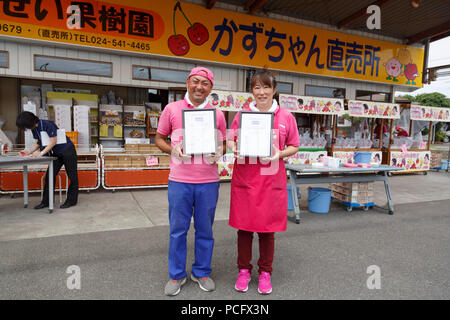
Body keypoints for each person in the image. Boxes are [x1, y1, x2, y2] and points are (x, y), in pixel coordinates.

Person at [155, 66, 227, 296]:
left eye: (204, 83)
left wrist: (220, 151)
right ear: (187, 82)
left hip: (208, 181)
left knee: (205, 229)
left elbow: (223, 142)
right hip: (179, 180)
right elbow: (159, 138)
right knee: (178, 230)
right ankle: (176, 275)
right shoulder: (172, 109)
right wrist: (172, 150)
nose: (199, 86)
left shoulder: (217, 114)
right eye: (195, 81)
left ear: (210, 88)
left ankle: (202, 271)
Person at [227, 69, 300, 294]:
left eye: (266, 87)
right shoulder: (242, 115)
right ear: (252, 90)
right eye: (257, 87)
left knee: (267, 230)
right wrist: (234, 148)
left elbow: (295, 145)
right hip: (246, 179)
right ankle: (243, 270)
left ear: (274, 90)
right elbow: (230, 139)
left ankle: (265, 272)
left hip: (270, 181)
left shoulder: (286, 117)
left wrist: (279, 154)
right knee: (244, 229)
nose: (261, 92)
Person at [16, 111, 78, 209]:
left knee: (72, 176)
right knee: (49, 176)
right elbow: (38, 142)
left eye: (25, 126)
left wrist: (40, 154)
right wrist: (28, 152)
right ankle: (46, 202)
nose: (26, 129)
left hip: (67, 151)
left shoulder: (47, 124)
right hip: (56, 153)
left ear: (30, 122)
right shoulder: (34, 128)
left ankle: (71, 201)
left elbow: (53, 141)